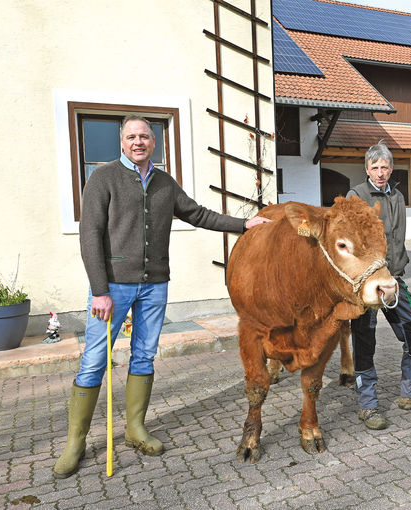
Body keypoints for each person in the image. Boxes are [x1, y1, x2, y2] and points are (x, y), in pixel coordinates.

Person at [53, 115, 270, 478]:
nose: (138, 142)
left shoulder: (164, 182)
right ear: (121, 142)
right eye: (131, 136)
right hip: (113, 288)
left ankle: (135, 429)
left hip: (155, 285)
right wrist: (101, 290)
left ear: (154, 142)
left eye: (144, 136)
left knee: (144, 355)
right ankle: (75, 442)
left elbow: (198, 214)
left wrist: (243, 224)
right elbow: (89, 235)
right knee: (94, 359)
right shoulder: (103, 178)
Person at [347, 142, 411, 430]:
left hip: (395, 279)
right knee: (365, 342)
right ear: (367, 169)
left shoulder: (398, 196)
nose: (380, 172)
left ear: (391, 168)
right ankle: (368, 406)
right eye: (375, 167)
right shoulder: (356, 196)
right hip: (366, 284)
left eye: (385, 167)